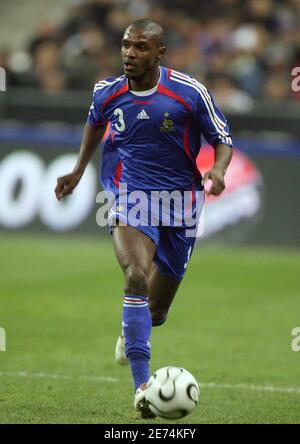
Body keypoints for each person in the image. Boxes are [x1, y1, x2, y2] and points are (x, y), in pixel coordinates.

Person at [55, 18, 233, 419]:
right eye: (125, 45)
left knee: (156, 312)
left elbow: (223, 138)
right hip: (130, 197)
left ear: (159, 53)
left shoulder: (189, 93)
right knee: (135, 273)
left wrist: (218, 171)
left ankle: (130, 330)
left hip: (181, 204)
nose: (129, 54)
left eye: (139, 47)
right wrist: (79, 169)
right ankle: (142, 387)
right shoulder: (107, 91)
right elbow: (95, 123)